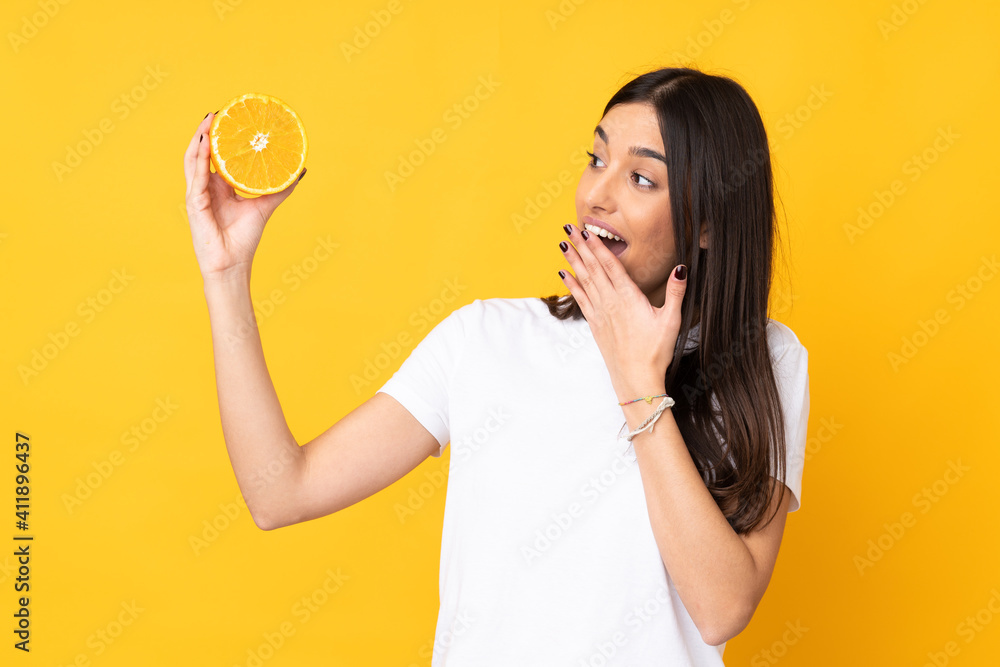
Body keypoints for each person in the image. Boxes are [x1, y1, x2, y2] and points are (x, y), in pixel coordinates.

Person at [183, 66, 810, 665]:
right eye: (596, 160)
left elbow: (722, 607)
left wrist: (638, 379)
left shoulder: (762, 360)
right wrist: (226, 275)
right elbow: (279, 492)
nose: (597, 194)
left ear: (707, 223)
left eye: (642, 179)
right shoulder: (485, 339)